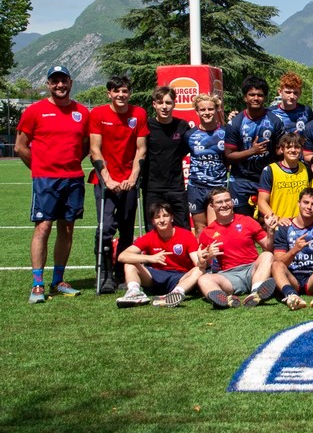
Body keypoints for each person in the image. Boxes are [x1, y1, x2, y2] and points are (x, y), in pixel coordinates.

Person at [15, 65, 90, 303]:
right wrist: (39, 168)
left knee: (67, 228)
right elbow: (20, 146)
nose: (60, 85)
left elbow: (86, 144)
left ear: (71, 82)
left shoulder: (82, 112)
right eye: (55, 81)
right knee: (43, 227)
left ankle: (58, 281)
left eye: (63, 80)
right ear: (48, 84)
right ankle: (38, 284)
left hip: (73, 178)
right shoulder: (35, 111)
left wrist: (71, 163)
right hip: (46, 180)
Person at [89, 75, 149, 294]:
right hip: (106, 182)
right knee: (105, 229)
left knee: (126, 229)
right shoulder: (97, 113)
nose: (121, 95)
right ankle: (104, 274)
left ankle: (121, 272)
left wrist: (132, 178)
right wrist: (107, 178)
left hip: (128, 182)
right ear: (109, 94)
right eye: (116, 91)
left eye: (124, 91)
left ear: (129, 93)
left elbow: (141, 149)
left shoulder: (139, 114)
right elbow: (95, 149)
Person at [115, 202, 207, 308]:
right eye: (157, 217)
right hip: (155, 277)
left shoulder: (186, 235)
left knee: (199, 270)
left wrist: (202, 259)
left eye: (165, 216)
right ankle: (134, 293)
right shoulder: (149, 236)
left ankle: (176, 294)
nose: (162, 220)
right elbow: (122, 256)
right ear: (153, 221)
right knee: (130, 263)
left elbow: (198, 263)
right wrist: (150, 258)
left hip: (179, 277)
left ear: (172, 218)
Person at [196, 188, 276, 308]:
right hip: (228, 276)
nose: (224, 205)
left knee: (267, 255)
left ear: (232, 202)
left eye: (227, 200)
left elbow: (267, 247)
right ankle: (224, 300)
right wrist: (207, 257)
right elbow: (202, 265)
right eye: (219, 202)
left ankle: (256, 292)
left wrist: (270, 232)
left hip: (252, 270)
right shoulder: (207, 232)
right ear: (212, 206)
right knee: (203, 279)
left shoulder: (247, 221)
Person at [224, 75, 285, 216]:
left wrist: (289, 146)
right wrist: (253, 151)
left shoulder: (275, 121)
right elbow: (229, 156)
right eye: (251, 95)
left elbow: (279, 152)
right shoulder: (236, 123)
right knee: (243, 224)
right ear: (245, 97)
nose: (256, 98)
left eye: (260, 95)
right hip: (240, 181)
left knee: (268, 223)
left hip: (266, 179)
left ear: (265, 98)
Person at [271, 188, 313, 310]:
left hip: (312, 279)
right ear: (298, 203)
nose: (309, 207)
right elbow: (279, 261)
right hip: (292, 278)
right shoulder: (285, 227)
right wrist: (294, 250)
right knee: (275, 265)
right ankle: (291, 296)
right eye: (306, 202)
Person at [143, 86, 190, 230]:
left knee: (183, 230)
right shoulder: (146, 126)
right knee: (154, 231)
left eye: (168, 102)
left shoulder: (182, 126)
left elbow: (183, 150)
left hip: (176, 187)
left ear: (174, 104)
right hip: (152, 188)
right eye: (160, 102)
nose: (164, 107)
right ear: (154, 104)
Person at [184, 93, 228, 236]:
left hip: (217, 187)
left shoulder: (225, 132)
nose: (207, 113)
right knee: (199, 228)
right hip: (196, 186)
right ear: (197, 111)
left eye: (210, 109)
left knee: (215, 228)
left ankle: (217, 259)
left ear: (217, 110)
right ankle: (202, 259)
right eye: (202, 110)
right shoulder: (190, 135)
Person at [257, 133, 310, 231]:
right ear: (282, 149)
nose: (293, 150)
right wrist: (277, 218)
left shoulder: (306, 169)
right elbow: (261, 202)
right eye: (289, 147)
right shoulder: (270, 170)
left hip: (301, 226)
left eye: (297, 147)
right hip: (279, 226)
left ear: (301, 150)